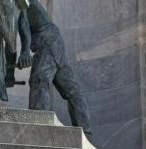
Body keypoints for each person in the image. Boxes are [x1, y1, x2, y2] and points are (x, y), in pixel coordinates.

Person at [17, 0, 92, 137]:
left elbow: (24, 25)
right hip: (54, 42)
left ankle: (38, 125)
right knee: (71, 89)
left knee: (39, 81)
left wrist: (25, 52)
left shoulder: (21, 2)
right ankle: (85, 131)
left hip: (47, 41)